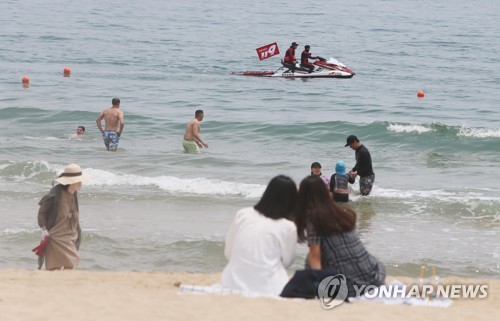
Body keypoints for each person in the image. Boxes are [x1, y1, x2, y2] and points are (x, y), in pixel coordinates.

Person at [294, 175, 385, 297]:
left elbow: (315, 257)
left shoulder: (314, 217)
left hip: (350, 286)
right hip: (374, 275)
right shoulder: (339, 211)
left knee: (307, 266)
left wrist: (317, 287)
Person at [221, 175, 298, 295]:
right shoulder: (288, 226)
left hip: (231, 282)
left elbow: (228, 252)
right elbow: (287, 262)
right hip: (269, 288)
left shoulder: (243, 214)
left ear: (267, 193)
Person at [36, 164, 91, 270]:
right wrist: (43, 229)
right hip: (56, 236)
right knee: (54, 267)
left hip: (71, 235)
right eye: (78, 181)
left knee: (71, 263)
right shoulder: (55, 195)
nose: (81, 183)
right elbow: (42, 211)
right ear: (70, 182)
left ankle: (65, 284)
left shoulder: (73, 193)